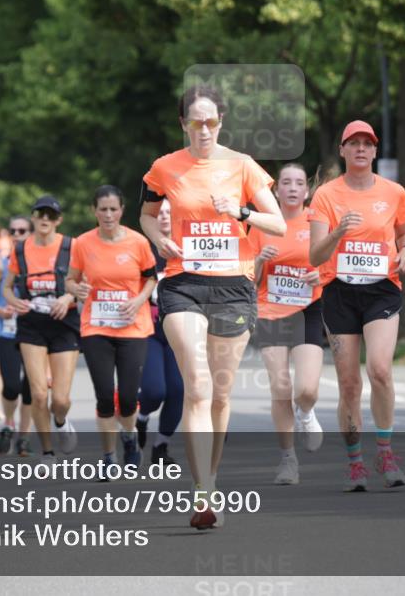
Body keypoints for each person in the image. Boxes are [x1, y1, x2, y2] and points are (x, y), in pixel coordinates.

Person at [140, 84, 285, 529]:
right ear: (183, 123)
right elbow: (146, 213)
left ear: (221, 123)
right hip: (183, 284)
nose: (204, 130)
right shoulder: (166, 168)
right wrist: (157, 237)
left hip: (233, 288)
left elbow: (276, 224)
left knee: (220, 395)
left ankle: (212, 478)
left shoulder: (242, 166)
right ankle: (203, 496)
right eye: (195, 122)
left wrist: (240, 212)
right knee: (199, 387)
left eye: (212, 122)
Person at [308, 120, 405, 491]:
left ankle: (385, 451)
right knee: (349, 384)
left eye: (366, 144)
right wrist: (338, 232)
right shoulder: (325, 195)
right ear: (342, 150)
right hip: (339, 291)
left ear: (374, 151)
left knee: (381, 370)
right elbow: (314, 253)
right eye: (352, 143)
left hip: (382, 289)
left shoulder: (394, 192)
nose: (360, 149)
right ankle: (355, 461)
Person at [66, 185, 156, 474]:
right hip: (96, 327)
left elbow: (151, 279)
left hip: (133, 328)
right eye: (102, 209)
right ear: (94, 211)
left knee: (128, 398)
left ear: (121, 211)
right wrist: (76, 288)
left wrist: (139, 300)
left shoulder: (138, 242)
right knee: (105, 395)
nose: (107, 214)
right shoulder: (82, 243)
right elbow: (70, 279)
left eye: (113, 209)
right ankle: (108, 457)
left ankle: (129, 439)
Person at [249, 163, 326, 485]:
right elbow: (248, 278)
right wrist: (260, 261)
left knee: (306, 390)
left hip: (309, 307)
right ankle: (288, 460)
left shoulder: (317, 222)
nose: (292, 188)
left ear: (306, 191)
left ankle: (305, 413)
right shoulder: (262, 225)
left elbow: (334, 264)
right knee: (280, 388)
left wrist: (320, 274)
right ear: (276, 190)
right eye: (286, 183)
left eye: (298, 183)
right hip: (270, 309)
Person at [2, 196, 80, 465]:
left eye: (50, 215)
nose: (44, 220)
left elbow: (86, 282)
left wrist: (68, 298)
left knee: (60, 399)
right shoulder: (21, 250)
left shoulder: (71, 246)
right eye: (40, 214)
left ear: (58, 220)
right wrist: (14, 302)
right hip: (31, 323)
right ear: (33, 217)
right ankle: (47, 452)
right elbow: (5, 287)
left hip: (64, 323)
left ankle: (60, 420)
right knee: (37, 393)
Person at [0, 216, 36, 456]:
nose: (16, 234)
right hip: (7, 332)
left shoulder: (39, 265)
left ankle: (23, 437)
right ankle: (8, 423)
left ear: (30, 233)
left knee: (31, 387)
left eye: (22, 230)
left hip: (35, 331)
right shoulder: (1, 266)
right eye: (13, 231)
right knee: (12, 385)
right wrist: (0, 311)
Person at [136, 199, 184, 465]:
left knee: (178, 390)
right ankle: (141, 418)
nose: (165, 217)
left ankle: (161, 447)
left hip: (180, 330)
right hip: (149, 329)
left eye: (170, 212)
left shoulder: (188, 246)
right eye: (161, 212)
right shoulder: (143, 248)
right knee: (155, 391)